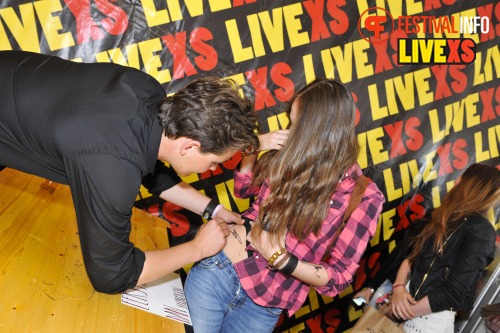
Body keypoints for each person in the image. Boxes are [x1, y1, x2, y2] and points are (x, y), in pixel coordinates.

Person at [0, 50, 259, 293]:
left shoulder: (146, 91)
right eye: (215, 162)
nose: (212, 169)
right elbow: (111, 275)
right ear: (190, 145)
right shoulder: (112, 165)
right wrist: (197, 249)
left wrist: (213, 209)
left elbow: (152, 170)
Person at [184, 78, 385, 332]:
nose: (290, 130)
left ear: (322, 130)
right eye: (290, 121)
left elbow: (340, 276)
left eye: (298, 123)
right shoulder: (289, 153)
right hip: (221, 269)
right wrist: (253, 148)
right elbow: (243, 188)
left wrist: (283, 261)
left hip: (264, 308)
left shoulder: (362, 195)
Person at [390, 163, 499, 333]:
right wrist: (398, 288)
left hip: (427, 323)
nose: (456, 181)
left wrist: (403, 311)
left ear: (472, 185)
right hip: (402, 307)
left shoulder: (481, 231)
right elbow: (412, 257)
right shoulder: (443, 216)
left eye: (462, 177)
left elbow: (454, 292)